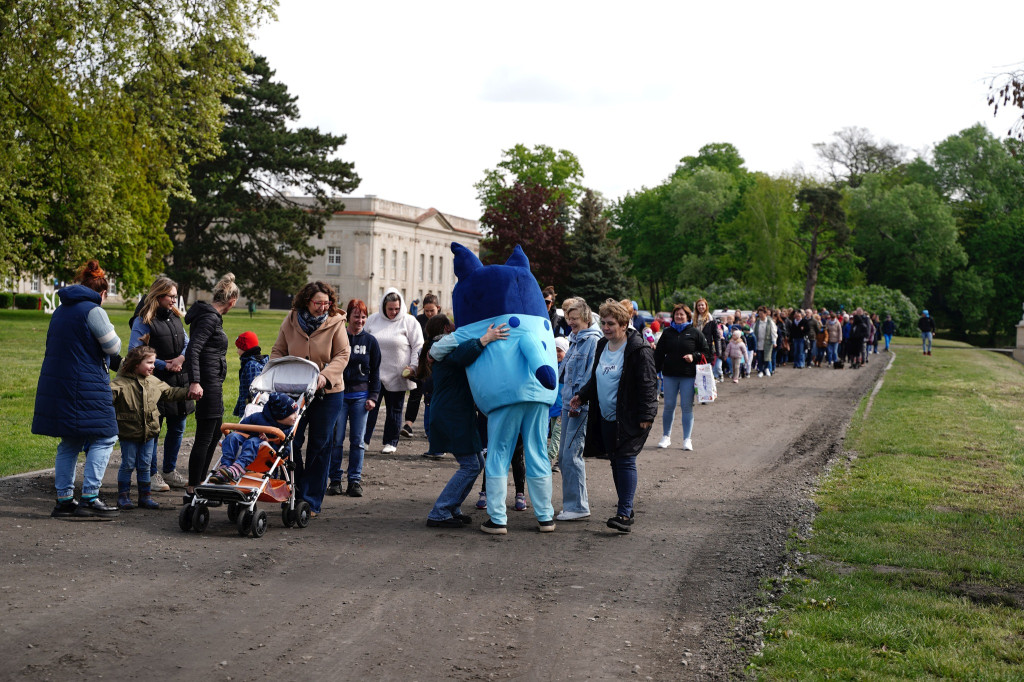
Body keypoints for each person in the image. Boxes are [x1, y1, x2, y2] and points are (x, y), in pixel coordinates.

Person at [32, 260, 122, 519]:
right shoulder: (93, 310)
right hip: (86, 385)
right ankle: (90, 498)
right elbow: (113, 347)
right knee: (106, 436)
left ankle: (64, 501)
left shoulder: (61, 310)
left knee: (70, 441)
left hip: (59, 383)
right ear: (102, 294)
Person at [569, 299, 658, 533]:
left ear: (624, 324)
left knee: (626, 460)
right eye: (604, 323)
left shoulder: (638, 349)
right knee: (616, 461)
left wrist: (647, 414)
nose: (606, 327)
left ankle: (623, 514)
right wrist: (582, 395)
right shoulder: (601, 345)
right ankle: (626, 508)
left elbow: (649, 383)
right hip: (607, 415)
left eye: (611, 323)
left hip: (630, 415)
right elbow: (597, 377)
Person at [270, 281, 350, 517]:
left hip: (328, 393)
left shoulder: (336, 322)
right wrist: (274, 373)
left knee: (320, 444)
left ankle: (311, 499)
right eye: (318, 303)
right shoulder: (292, 319)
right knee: (290, 442)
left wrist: (325, 376)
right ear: (307, 301)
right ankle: (296, 489)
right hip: (295, 390)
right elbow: (278, 350)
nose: (323, 307)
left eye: (326, 303)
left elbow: (343, 355)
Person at [421, 316, 508, 527]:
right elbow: (462, 356)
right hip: (452, 413)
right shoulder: (441, 346)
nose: (457, 327)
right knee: (470, 465)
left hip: (456, 411)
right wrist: (484, 339)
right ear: (445, 328)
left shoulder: (441, 347)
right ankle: (440, 511)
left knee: (477, 463)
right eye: (452, 325)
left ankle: (451, 507)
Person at [128, 276, 193, 491]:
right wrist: (164, 365)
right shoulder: (143, 321)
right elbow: (134, 353)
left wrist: (181, 359)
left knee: (177, 428)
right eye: (171, 296)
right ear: (158, 295)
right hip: (154, 383)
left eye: (176, 296)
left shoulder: (175, 317)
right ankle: (151, 474)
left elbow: (187, 343)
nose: (175, 301)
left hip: (178, 380)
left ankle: (169, 470)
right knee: (153, 430)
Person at [110, 346, 190, 509]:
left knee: (145, 464)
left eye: (154, 362)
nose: (154, 366)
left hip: (149, 433)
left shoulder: (153, 381)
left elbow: (170, 393)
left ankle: (145, 497)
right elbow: (104, 401)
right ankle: (123, 496)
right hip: (129, 433)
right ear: (135, 363)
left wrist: (189, 392)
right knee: (128, 464)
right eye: (150, 362)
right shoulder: (119, 384)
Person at [183, 273, 239, 497]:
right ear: (232, 301)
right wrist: (195, 381)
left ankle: (200, 483)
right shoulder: (210, 318)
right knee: (205, 436)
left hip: (212, 381)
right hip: (206, 383)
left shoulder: (210, 317)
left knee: (215, 433)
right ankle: (193, 488)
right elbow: (193, 349)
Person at [327, 299, 381, 497]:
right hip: (339, 396)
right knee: (337, 440)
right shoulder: (339, 338)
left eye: (363, 316)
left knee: (358, 441)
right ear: (348, 316)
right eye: (356, 316)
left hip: (361, 397)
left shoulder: (370, 342)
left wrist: (373, 397)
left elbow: (375, 372)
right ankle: (334, 480)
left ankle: (354, 481)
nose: (360, 320)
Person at [556, 297, 601, 522]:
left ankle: (577, 506)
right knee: (564, 456)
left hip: (579, 405)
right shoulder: (574, 339)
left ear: (585, 318)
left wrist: (579, 400)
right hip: (567, 403)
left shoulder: (592, 341)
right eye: (568, 318)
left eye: (574, 318)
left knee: (571, 455)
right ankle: (574, 504)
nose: (570, 322)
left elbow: (591, 375)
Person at [654, 303, 711, 451]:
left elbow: (707, 352)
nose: (679, 317)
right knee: (668, 406)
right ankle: (666, 437)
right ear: (673, 316)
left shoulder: (695, 333)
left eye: (682, 314)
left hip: (688, 376)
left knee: (687, 407)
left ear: (687, 316)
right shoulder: (667, 333)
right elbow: (659, 354)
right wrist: (654, 371)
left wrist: (694, 356)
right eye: (676, 314)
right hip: (670, 375)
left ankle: (687, 439)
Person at [209, 392, 299, 483]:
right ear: (280, 415)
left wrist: (271, 441)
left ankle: (237, 469)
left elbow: (286, 451)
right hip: (246, 444)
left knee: (253, 441)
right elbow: (241, 429)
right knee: (232, 436)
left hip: (266, 456)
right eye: (293, 413)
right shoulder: (257, 417)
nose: (296, 415)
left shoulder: (287, 430)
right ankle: (225, 468)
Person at [402, 293, 440, 439]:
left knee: (433, 397)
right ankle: (408, 425)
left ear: (438, 308)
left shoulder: (443, 322)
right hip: (420, 363)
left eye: (432, 310)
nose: (429, 314)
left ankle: (432, 427)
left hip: (436, 365)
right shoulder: (418, 321)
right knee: (415, 393)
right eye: (426, 311)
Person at [233, 332, 268, 418]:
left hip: (251, 410)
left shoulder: (251, 365)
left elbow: (253, 390)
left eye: (239, 348)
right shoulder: (252, 362)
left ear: (246, 349)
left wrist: (247, 409)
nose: (237, 351)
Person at [752, 306, 777, 377]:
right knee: (759, 357)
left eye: (762, 313)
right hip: (759, 342)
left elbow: (774, 331)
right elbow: (754, 331)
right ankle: (760, 370)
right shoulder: (757, 322)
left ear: (765, 314)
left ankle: (767, 369)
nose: (760, 315)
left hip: (767, 343)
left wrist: (774, 341)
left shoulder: (770, 322)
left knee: (767, 357)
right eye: (759, 314)